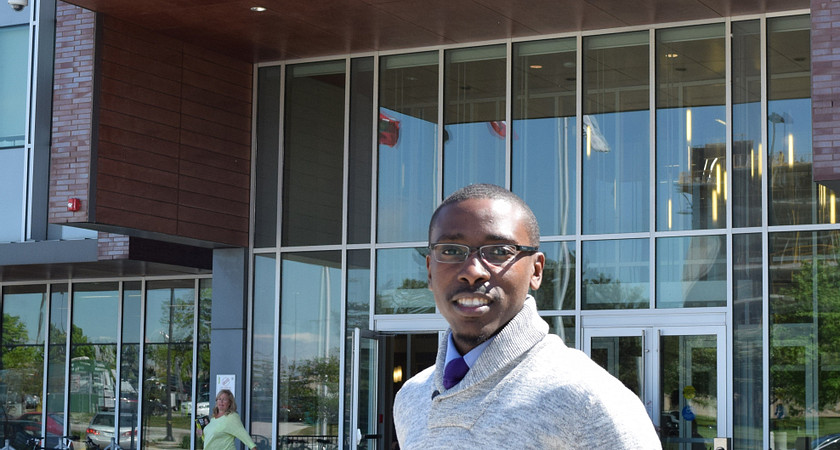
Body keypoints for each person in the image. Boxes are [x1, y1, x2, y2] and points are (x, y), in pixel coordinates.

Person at [393, 183, 661, 449]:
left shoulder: (586, 397)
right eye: (451, 251)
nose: (473, 271)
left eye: (499, 251)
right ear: (430, 271)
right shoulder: (411, 397)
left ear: (536, 270)